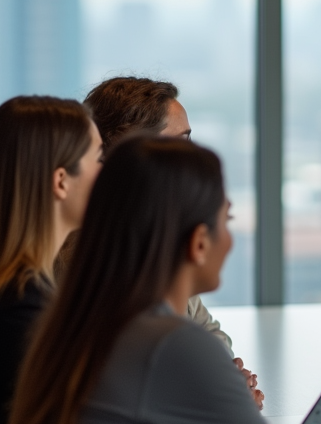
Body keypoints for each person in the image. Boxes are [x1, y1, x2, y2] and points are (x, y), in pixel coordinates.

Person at [0, 138, 321, 424]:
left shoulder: (79, 324)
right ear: (198, 242)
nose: (231, 238)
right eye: (228, 219)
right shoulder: (172, 345)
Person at [84, 75, 262, 407]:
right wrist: (218, 386)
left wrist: (219, 373)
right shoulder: (103, 255)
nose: (191, 152)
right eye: (180, 141)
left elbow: (207, 331)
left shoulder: (152, 234)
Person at [0, 97, 103, 424]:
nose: (107, 173)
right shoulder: (22, 312)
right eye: (98, 158)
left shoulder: (9, 293)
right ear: (61, 181)